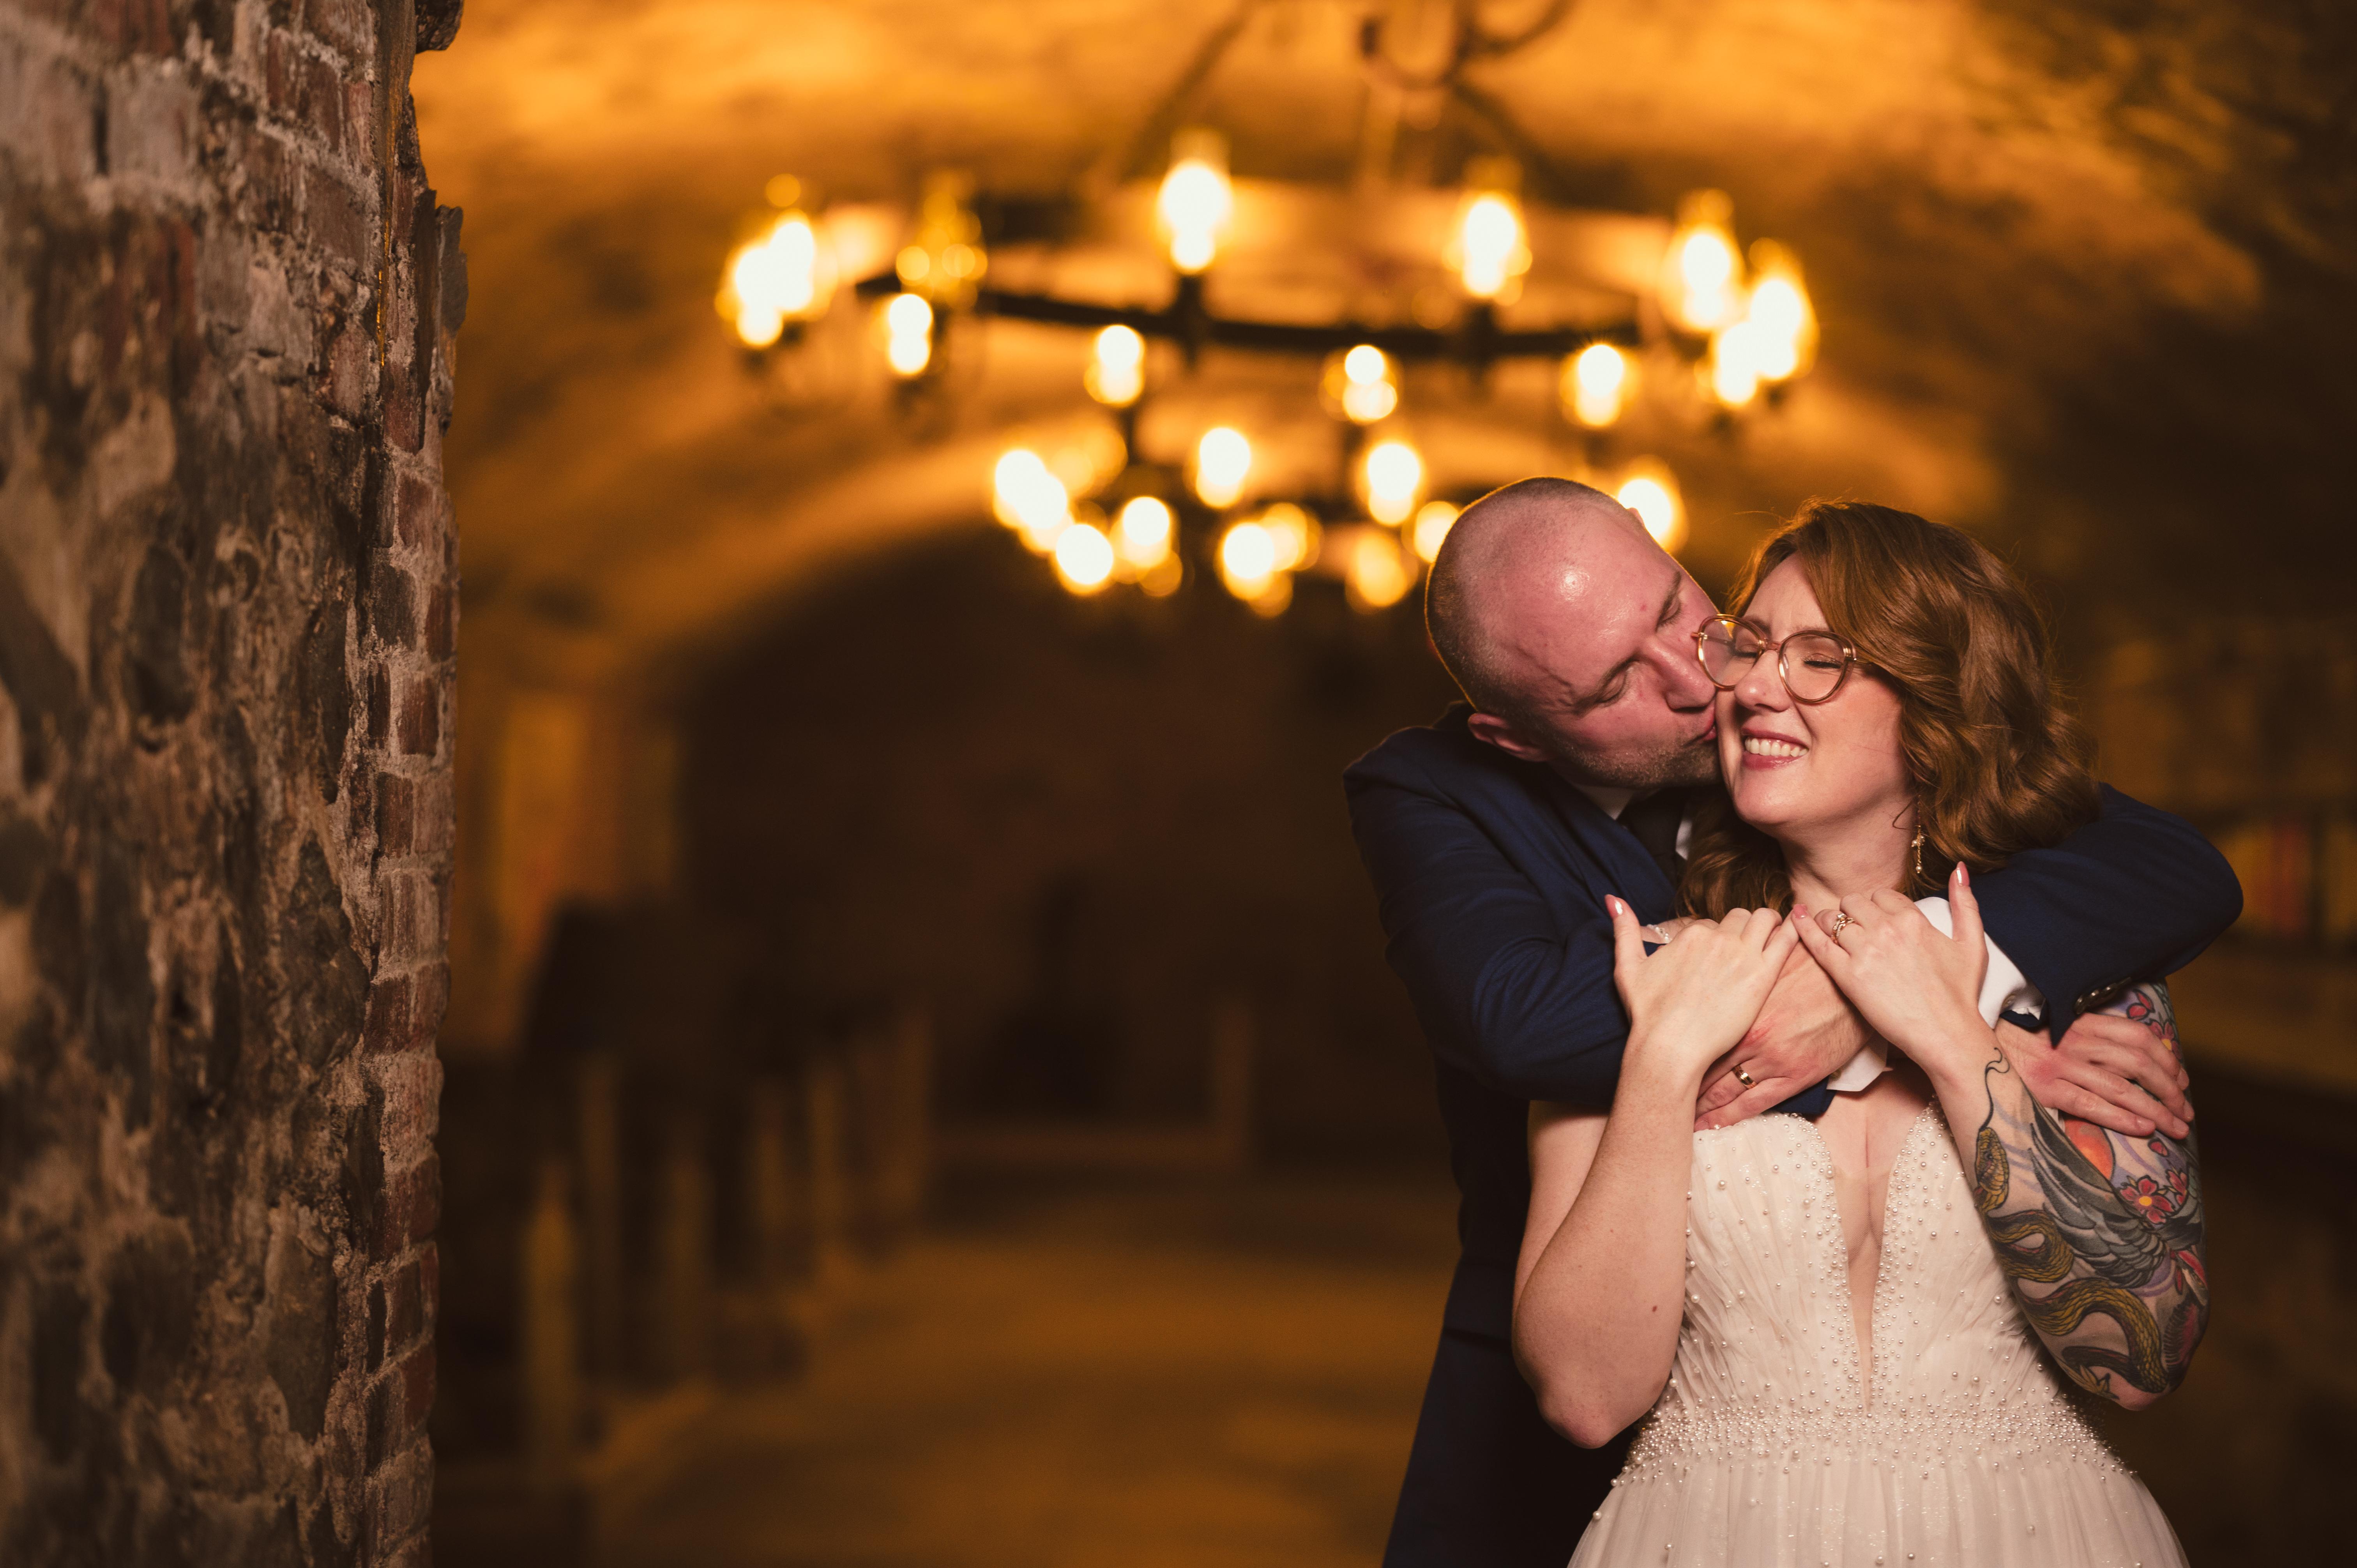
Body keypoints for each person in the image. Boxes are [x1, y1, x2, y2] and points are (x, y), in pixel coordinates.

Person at [1344, 480, 2240, 1568]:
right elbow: (1521, 1027)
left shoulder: (2077, 977)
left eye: (1817, 657)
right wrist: (1841, 1012)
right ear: (1519, 737)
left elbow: (2145, 1354)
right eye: (1619, 682)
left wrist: (1951, 1015)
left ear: (1937, 704)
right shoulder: (1629, 957)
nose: (1722, 683)